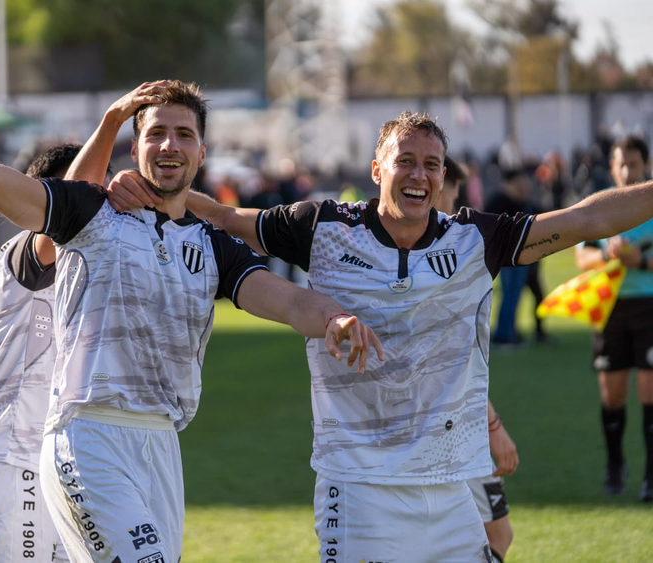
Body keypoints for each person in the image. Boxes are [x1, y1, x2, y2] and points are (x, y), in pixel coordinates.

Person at [0, 81, 382, 563]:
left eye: (183, 134)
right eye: (156, 132)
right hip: (87, 437)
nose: (169, 145)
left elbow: (285, 300)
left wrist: (335, 318)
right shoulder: (90, 215)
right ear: (133, 147)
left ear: (202, 151)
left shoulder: (213, 247)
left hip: (162, 446)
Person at [109, 109, 653, 561]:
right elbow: (227, 218)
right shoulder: (322, 227)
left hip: (451, 487)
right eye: (406, 162)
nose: (419, 175)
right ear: (377, 169)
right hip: (358, 488)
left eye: (432, 166)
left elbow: (584, 221)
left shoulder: (475, 240)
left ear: (443, 178)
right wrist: (152, 189)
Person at [0, 144, 92, 563]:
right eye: (86, 191)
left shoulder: (69, 260)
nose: (98, 204)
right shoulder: (33, 249)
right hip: (12, 465)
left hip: (33, 467)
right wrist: (111, 122)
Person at [439, 155, 518, 563]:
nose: (451, 209)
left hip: (452, 428)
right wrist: (494, 428)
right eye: (449, 196)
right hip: (453, 433)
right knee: (495, 536)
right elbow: (452, 367)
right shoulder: (438, 265)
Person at [575, 134, 653, 501]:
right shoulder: (601, 206)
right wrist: (609, 257)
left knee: (650, 392)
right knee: (613, 395)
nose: (627, 171)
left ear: (645, 166)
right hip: (609, 309)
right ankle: (615, 463)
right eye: (621, 164)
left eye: (633, 164)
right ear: (612, 167)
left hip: (649, 307)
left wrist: (643, 262)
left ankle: (651, 475)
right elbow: (581, 259)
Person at [485, 168, 533, 346]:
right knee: (509, 294)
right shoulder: (500, 201)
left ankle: (510, 331)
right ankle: (503, 335)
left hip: (518, 257)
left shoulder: (518, 201)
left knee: (514, 295)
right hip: (506, 259)